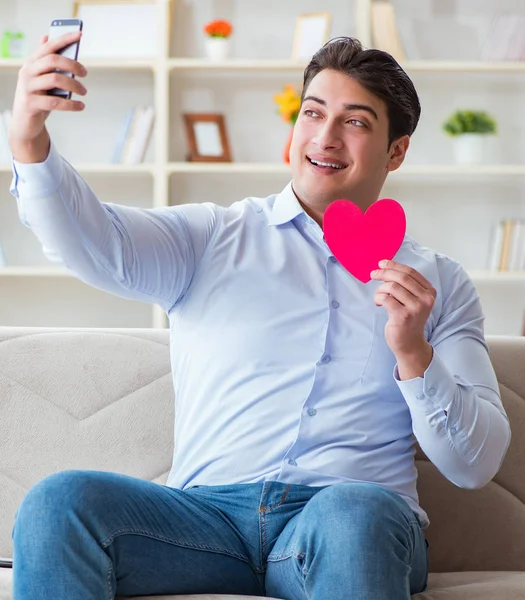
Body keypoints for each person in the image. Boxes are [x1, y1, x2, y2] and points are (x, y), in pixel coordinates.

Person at [8, 32, 511, 600]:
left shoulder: (437, 283)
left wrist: (415, 356)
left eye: (357, 122)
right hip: (203, 522)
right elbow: (94, 240)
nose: (325, 136)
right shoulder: (210, 238)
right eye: (313, 113)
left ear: (397, 151)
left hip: (348, 517)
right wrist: (29, 137)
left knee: (354, 513)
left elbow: (477, 462)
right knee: (58, 504)